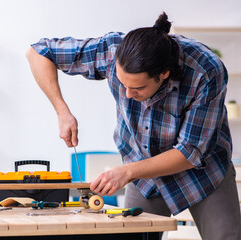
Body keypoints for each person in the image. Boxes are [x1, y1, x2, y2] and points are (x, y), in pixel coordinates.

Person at [26, 12, 241, 240]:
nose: (127, 94)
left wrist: (127, 172)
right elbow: (38, 52)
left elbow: (190, 151)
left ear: (164, 74)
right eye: (122, 83)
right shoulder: (110, 50)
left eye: (137, 88)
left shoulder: (205, 70)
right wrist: (62, 110)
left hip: (203, 172)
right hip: (142, 173)